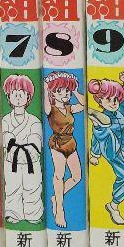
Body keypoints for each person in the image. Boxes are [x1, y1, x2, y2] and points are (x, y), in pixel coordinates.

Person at [88, 73, 124, 226]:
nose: (113, 103)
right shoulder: (103, 120)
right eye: (108, 99)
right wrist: (94, 154)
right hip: (111, 151)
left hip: (122, 149)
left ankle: (113, 205)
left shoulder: (120, 111)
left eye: (116, 99)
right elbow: (97, 138)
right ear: (100, 100)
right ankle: (114, 206)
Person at [0, 74, 43, 224]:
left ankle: (33, 214)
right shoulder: (6, 120)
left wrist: (30, 147)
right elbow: (6, 137)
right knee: (12, 187)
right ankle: (14, 214)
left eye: (22, 93)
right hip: (12, 160)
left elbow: (36, 138)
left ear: (28, 97)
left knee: (33, 187)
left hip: (30, 160)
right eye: (14, 93)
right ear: (8, 96)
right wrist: (11, 143)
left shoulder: (34, 120)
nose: (18, 97)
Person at [45, 72, 85, 229]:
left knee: (77, 177)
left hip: (71, 142)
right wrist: (46, 86)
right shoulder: (51, 109)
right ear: (53, 93)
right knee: (59, 175)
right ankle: (59, 210)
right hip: (57, 144)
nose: (65, 93)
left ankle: (56, 197)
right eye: (60, 91)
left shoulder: (69, 107)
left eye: (67, 90)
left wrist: (74, 90)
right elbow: (46, 103)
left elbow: (84, 104)